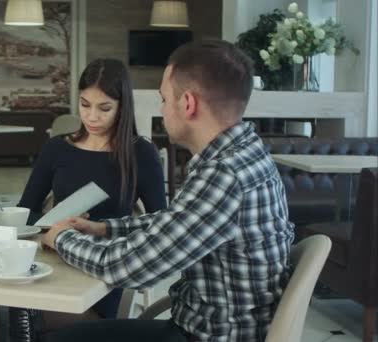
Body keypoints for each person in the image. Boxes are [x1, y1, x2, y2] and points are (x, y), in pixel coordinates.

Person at [41, 40, 295, 342]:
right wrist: (102, 229)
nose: (162, 110)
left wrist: (61, 238)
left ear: (187, 103)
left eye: (163, 99)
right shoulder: (245, 153)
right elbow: (175, 222)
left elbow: (129, 267)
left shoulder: (224, 175)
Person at [18, 58, 167, 320]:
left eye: (104, 108)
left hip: (103, 276)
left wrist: (103, 230)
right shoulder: (56, 148)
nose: (92, 117)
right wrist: (46, 233)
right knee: (6, 318)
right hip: (52, 263)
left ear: (122, 108)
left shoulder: (140, 154)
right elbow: (26, 211)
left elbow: (161, 226)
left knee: (20, 326)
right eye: (85, 105)